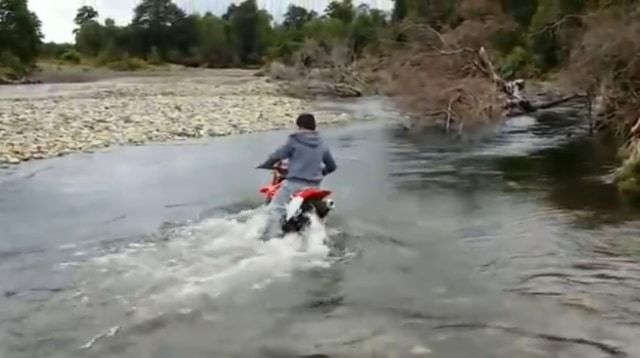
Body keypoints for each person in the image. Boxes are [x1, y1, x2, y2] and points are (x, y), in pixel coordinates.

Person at [257, 113, 337, 238]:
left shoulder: (294, 140)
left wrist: (266, 164)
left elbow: (278, 155)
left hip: (294, 184)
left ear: (299, 126)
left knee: (274, 210)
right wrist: (321, 173)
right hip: (315, 187)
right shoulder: (323, 144)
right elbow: (332, 166)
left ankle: (264, 238)